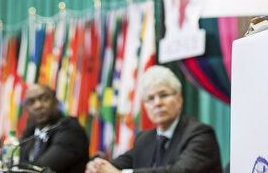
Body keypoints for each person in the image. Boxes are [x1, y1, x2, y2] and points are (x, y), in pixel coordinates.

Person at [86, 65, 222, 173]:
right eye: (150, 98)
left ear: (179, 100)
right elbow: (115, 165)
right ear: (145, 106)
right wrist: (97, 166)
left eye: (163, 95)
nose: (157, 103)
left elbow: (180, 171)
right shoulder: (145, 139)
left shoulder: (201, 135)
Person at [19, 84, 89, 173]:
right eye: (31, 102)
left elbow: (41, 170)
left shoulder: (69, 128)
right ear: (26, 109)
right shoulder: (30, 132)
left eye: (44, 99)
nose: (38, 106)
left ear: (56, 102)